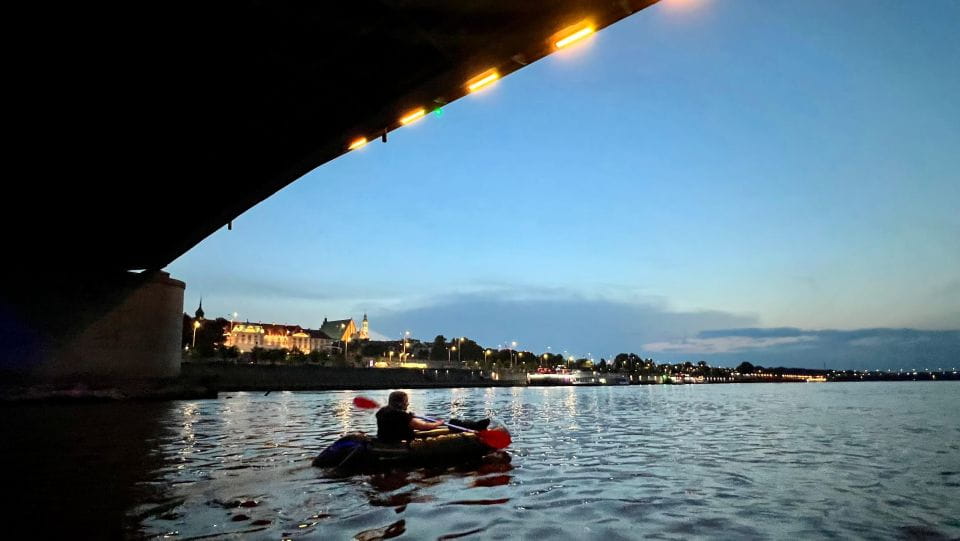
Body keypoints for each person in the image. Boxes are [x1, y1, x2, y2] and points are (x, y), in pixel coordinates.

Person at [376, 391, 445, 444]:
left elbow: (407, 422)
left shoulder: (382, 411)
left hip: (383, 440)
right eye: (406, 401)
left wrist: (411, 417)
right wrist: (439, 423)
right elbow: (424, 426)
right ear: (399, 403)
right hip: (401, 443)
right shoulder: (402, 415)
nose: (408, 403)